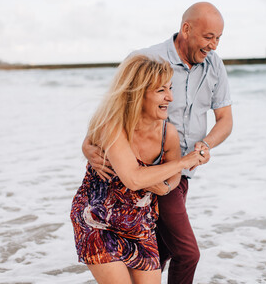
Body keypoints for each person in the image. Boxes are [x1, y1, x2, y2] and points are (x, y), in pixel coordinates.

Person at [83, 2, 233, 284]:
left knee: (161, 247)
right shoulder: (146, 59)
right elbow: (111, 108)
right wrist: (87, 144)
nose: (214, 45)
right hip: (144, 171)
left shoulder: (215, 65)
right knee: (187, 253)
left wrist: (205, 146)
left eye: (218, 39)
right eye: (208, 37)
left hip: (180, 174)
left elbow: (225, 119)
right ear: (186, 29)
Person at [71, 55, 204, 284]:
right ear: (138, 92)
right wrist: (184, 161)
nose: (170, 98)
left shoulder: (167, 134)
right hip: (99, 219)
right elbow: (133, 179)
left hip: (140, 224)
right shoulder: (112, 126)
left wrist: (164, 187)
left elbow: (172, 179)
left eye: (170, 88)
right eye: (161, 90)